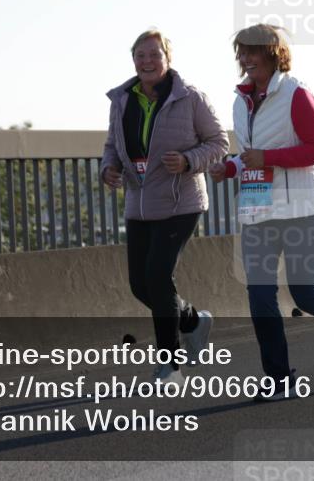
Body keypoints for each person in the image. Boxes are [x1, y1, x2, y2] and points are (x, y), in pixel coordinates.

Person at [208, 24, 314, 400]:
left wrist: (268, 158)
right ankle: (278, 377)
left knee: (305, 294)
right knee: (260, 297)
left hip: (304, 209)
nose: (246, 59)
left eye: (254, 52)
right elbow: (251, 152)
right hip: (258, 211)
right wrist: (230, 168)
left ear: (274, 54)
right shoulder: (240, 100)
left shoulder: (296, 93)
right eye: (242, 53)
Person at [102, 29, 229, 384]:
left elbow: (219, 142)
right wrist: (107, 168)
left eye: (154, 54)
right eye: (141, 55)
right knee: (140, 286)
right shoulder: (122, 99)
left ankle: (170, 364)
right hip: (139, 204)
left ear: (167, 59)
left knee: (158, 277)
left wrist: (189, 160)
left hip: (180, 202)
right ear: (133, 60)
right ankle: (192, 320)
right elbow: (112, 144)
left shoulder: (190, 97)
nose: (147, 61)